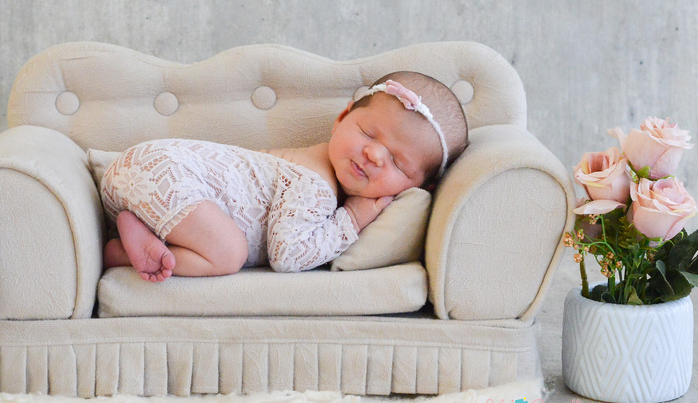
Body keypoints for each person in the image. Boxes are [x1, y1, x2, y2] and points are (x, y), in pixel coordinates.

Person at [100, 71, 469, 281]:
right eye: (369, 135)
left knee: (220, 241)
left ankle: (136, 236)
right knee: (228, 253)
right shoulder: (316, 184)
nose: (373, 154)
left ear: (418, 187)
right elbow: (287, 256)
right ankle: (125, 254)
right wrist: (352, 218)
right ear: (342, 118)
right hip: (168, 174)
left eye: (398, 163)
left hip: (147, 170)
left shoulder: (299, 163)